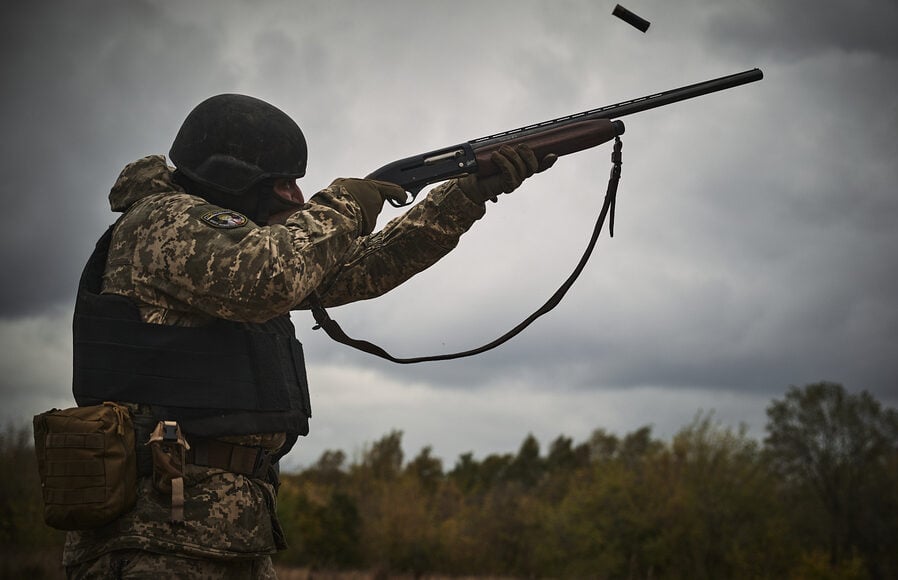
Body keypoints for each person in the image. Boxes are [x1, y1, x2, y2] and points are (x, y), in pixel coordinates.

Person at [63, 93, 554, 578]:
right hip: (158, 539)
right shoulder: (161, 221)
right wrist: (347, 201)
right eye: (283, 185)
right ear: (233, 178)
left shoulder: (230, 248)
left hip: (225, 535)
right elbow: (269, 275)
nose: (297, 198)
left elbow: (364, 269)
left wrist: (465, 195)